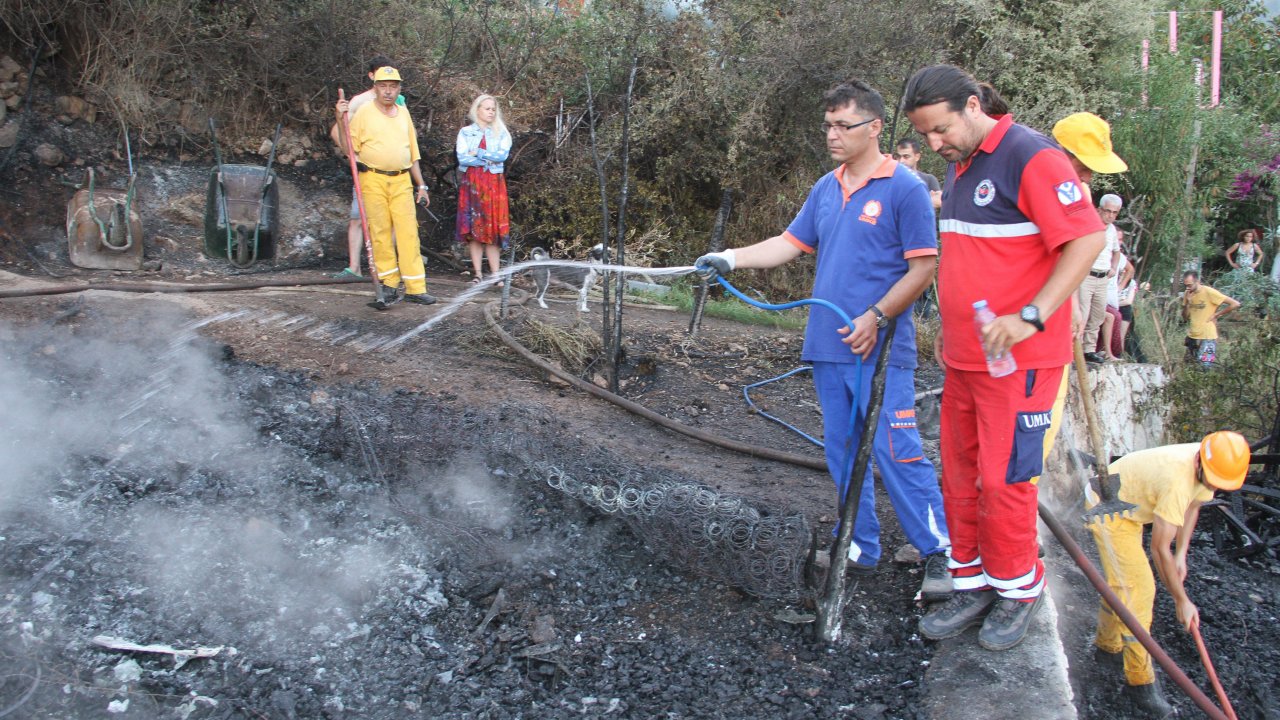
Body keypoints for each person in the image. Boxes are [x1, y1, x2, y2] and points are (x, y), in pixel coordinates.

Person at [695, 80, 952, 602]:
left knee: (897, 450)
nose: (832, 135)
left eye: (843, 126)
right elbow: (789, 244)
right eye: (828, 126)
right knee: (842, 449)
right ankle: (860, 544)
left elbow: (924, 267)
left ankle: (939, 552)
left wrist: (877, 317)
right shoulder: (826, 187)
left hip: (879, 352)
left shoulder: (904, 189)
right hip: (828, 345)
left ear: (875, 127)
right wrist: (731, 257)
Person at [902, 64, 1106, 650]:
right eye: (927, 135)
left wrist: (1033, 314)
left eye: (940, 130)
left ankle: (1019, 589)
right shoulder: (962, 162)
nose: (935, 145)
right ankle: (973, 580)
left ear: (972, 106)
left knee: (1005, 479)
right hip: (967, 357)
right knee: (961, 474)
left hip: (1022, 361)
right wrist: (951, 325)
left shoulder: (1030, 155)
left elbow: (1086, 238)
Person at [1088, 431, 1250, 717]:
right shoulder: (1178, 477)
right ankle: (1139, 683)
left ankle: (1106, 648)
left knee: (1123, 585)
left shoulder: (1210, 464)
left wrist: (1182, 553)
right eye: (1212, 479)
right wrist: (1180, 599)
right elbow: (1159, 548)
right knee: (1140, 591)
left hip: (1131, 502)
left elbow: (1195, 504)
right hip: (1109, 507)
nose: (1214, 485)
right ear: (1200, 463)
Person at [343, 66, 436, 306]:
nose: (388, 91)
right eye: (383, 86)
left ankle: (416, 286)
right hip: (372, 177)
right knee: (380, 231)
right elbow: (349, 148)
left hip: (401, 179)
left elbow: (412, 152)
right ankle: (389, 283)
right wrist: (337, 116)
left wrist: (421, 185)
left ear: (399, 89)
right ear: (375, 88)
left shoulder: (403, 113)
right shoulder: (364, 112)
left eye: (393, 87)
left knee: (408, 232)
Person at [330, 55, 394, 279]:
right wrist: (352, 155)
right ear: (371, 76)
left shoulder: (399, 101)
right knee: (358, 218)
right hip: (366, 170)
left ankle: (386, 270)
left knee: (391, 220)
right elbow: (338, 131)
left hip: (392, 171)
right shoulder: (360, 101)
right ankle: (354, 267)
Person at [455, 94, 512, 285]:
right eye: (487, 108)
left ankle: (496, 275)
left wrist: (478, 153)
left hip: (494, 183)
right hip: (472, 184)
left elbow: (502, 155)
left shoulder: (501, 132)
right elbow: (463, 158)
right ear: (477, 109)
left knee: (493, 228)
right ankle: (478, 274)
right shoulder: (465, 132)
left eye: (493, 109)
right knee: (474, 228)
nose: (491, 112)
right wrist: (487, 158)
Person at [1075, 194, 1123, 364]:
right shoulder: (1090, 225)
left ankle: (1089, 349)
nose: (1110, 215)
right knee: (1082, 313)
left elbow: (1116, 251)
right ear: (1099, 210)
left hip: (1103, 277)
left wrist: (1114, 268)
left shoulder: (1111, 230)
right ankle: (1077, 349)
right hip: (1087, 274)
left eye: (1114, 213)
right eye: (1107, 211)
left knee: (1098, 315)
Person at [1181, 270, 1239, 366]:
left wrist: (1217, 314)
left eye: (1190, 285)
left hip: (1208, 337)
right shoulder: (1187, 294)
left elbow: (1235, 304)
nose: (1188, 288)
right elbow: (1185, 317)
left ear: (1197, 281)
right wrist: (1187, 303)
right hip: (1193, 336)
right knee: (1188, 367)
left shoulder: (1209, 292)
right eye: (1186, 285)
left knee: (1205, 367)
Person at [894, 136, 942, 210]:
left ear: (917, 157)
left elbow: (938, 201)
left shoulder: (929, 180)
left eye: (906, 156)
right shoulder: (891, 181)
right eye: (898, 157)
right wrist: (926, 201)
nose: (901, 161)